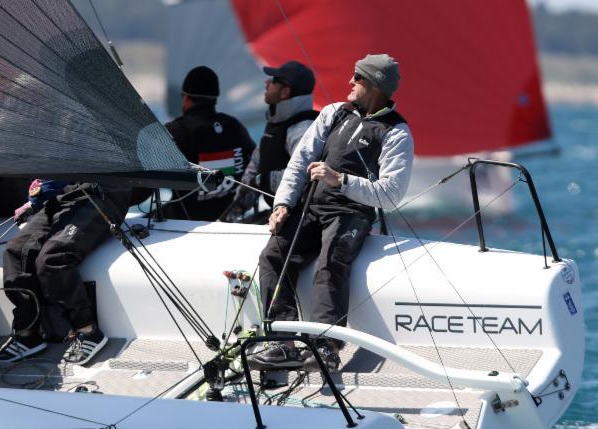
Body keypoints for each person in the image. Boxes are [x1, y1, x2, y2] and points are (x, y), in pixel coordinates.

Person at [249, 54, 414, 373]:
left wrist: (340, 180)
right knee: (272, 255)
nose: (350, 82)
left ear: (375, 86)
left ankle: (326, 347)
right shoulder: (332, 113)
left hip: (351, 213)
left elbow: (391, 195)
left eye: (357, 77)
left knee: (329, 264)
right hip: (310, 207)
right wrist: (283, 203)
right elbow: (299, 163)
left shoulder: (396, 133)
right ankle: (282, 343)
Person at [0, 179, 132, 365]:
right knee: (16, 251)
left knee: (54, 255)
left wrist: (40, 195)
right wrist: (35, 199)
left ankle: (88, 331)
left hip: (102, 194)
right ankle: (27, 334)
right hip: (64, 197)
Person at [224, 61, 318, 222]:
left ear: (285, 92)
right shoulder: (276, 126)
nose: (267, 83)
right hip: (278, 214)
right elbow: (253, 170)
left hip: (301, 219)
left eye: (274, 80)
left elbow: (307, 175)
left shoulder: (303, 129)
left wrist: (264, 180)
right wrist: (232, 213)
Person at [163, 66, 255, 221]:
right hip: (230, 218)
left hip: (185, 224)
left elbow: (144, 185)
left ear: (185, 98)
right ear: (215, 99)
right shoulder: (234, 125)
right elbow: (256, 164)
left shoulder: (175, 131)